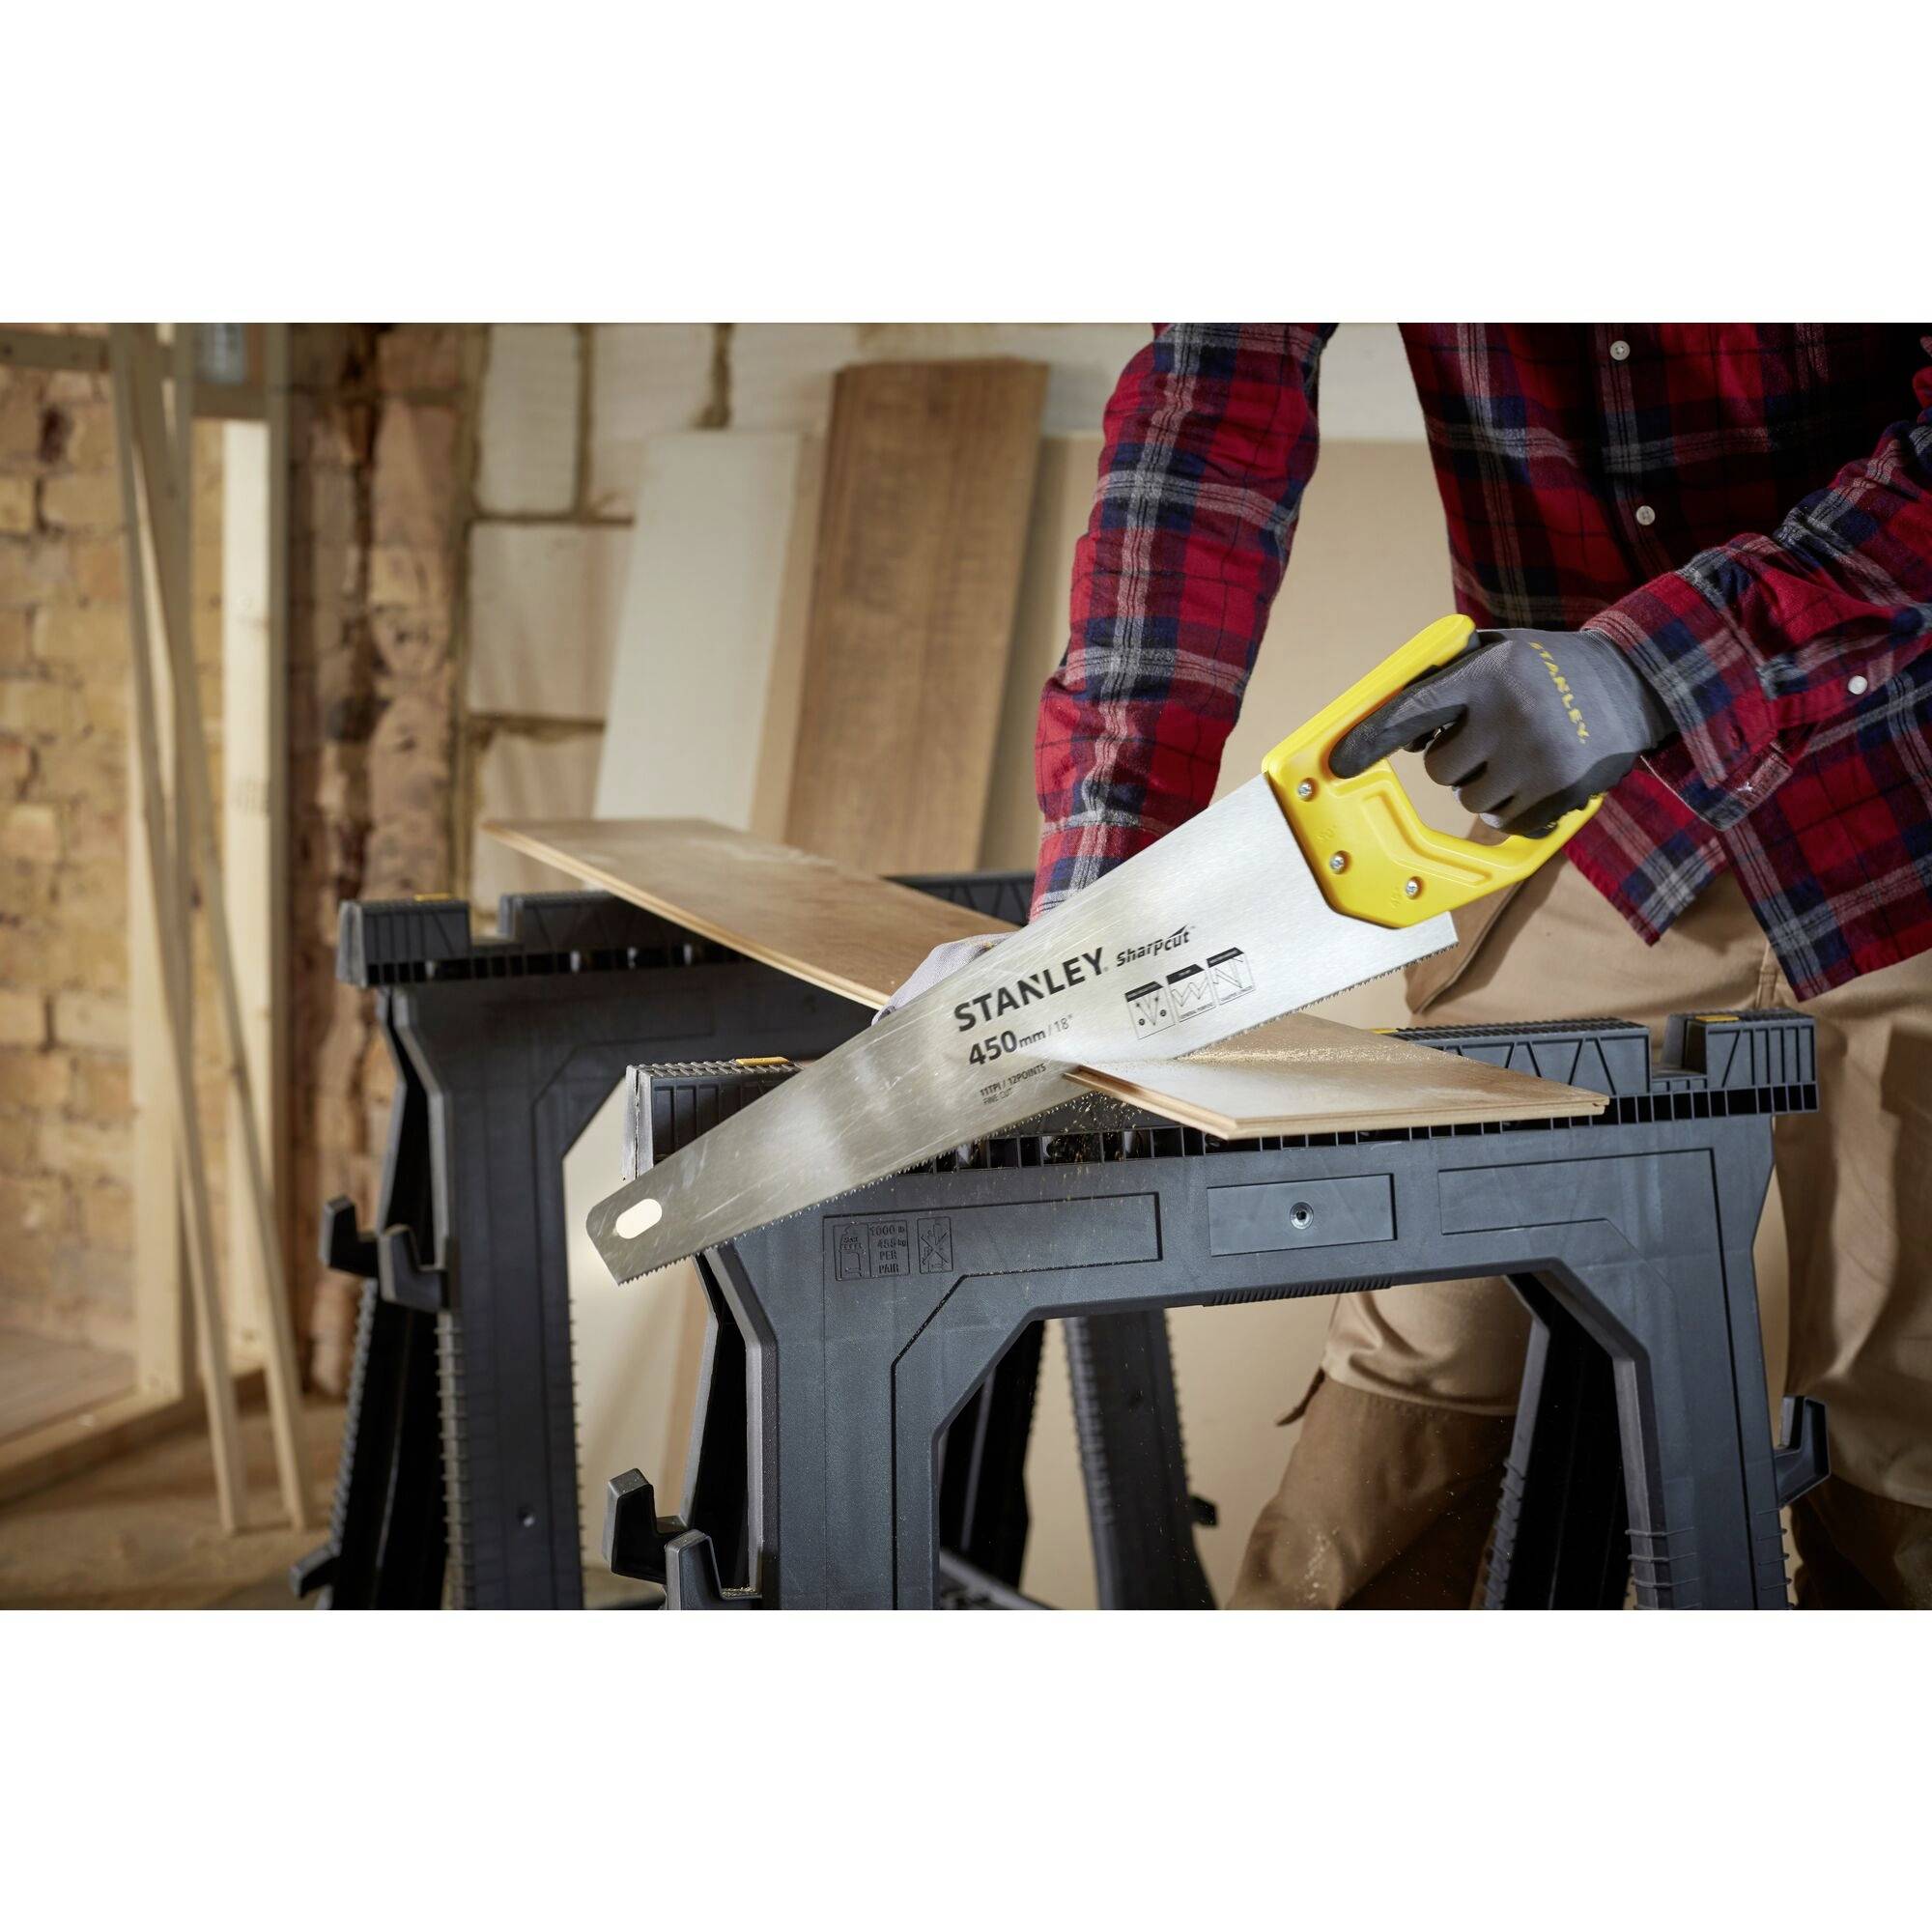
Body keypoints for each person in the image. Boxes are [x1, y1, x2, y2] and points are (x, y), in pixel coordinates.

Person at [884, 325, 1932, 1609]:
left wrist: (1663, 667)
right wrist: (1097, 900)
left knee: (1912, 1454)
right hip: (1584, 826)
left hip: (1904, 803)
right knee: (1402, 1446)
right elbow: (1211, 413)